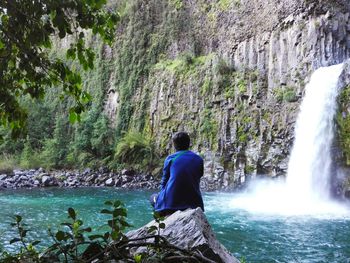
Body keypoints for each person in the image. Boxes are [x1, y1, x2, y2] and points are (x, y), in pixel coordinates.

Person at [150, 132, 204, 216]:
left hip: (171, 203)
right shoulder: (199, 159)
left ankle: (163, 216)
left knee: (153, 197)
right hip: (194, 202)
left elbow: (164, 181)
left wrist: (162, 198)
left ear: (174, 145)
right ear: (189, 143)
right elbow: (198, 177)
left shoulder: (171, 158)